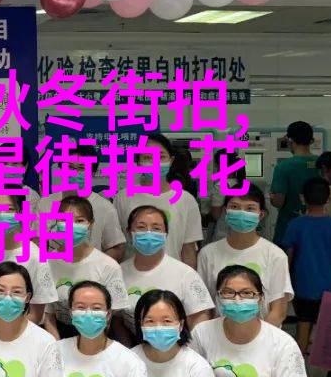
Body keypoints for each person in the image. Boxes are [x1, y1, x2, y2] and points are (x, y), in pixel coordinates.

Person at [281, 176, 331, 377]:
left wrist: (284, 283)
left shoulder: (295, 225)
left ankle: (296, 374)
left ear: (302, 198)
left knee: (303, 326)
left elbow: (288, 256)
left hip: (304, 286)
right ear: (328, 199)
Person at [197, 184, 293, 326]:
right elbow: (203, 306)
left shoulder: (275, 256)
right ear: (226, 211)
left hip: (263, 335)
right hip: (218, 335)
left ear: (261, 214)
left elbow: (278, 311)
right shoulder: (207, 254)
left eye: (250, 208)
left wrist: (258, 337)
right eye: (235, 207)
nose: (242, 213)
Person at [113, 132, 203, 268]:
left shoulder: (186, 200)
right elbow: (118, 245)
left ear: (171, 160)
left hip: (173, 275)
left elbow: (188, 250)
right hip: (132, 275)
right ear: (139, 162)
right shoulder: (124, 197)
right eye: (147, 157)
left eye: (161, 157)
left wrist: (190, 278)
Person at [44, 196, 130, 338]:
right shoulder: (47, 263)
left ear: (90, 224)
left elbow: (111, 318)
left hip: (97, 336)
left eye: (79, 221)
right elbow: (48, 315)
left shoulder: (108, 266)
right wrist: (58, 347)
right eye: (64, 220)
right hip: (59, 334)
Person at [120, 205, 214, 333]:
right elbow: (116, 319)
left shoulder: (186, 274)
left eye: (156, 228)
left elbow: (200, 323)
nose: (149, 233)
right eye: (141, 227)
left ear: (166, 234)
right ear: (129, 233)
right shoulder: (118, 272)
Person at [0, 193, 58, 325]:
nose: (2, 215)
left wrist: (5, 329)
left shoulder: (35, 257)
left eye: (9, 209)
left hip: (22, 329)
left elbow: (36, 315)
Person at [37, 145, 126, 261]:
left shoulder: (105, 208)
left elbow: (116, 247)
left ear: (92, 172)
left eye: (81, 168)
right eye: (70, 167)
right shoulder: (45, 204)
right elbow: (37, 242)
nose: (74, 172)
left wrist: (96, 267)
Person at [269, 121, 319, 245]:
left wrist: (272, 197)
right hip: (316, 229)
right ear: (311, 140)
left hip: (289, 229)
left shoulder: (284, 167)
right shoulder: (321, 164)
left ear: (289, 140)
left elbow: (278, 202)